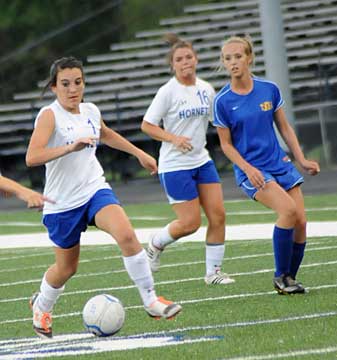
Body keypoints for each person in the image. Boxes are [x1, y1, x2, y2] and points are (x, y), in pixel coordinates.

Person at [25, 56, 181, 339]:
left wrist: (140, 154)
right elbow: (32, 157)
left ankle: (151, 301)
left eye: (78, 82)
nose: (73, 89)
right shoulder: (49, 115)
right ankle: (42, 306)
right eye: (65, 84)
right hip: (62, 203)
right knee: (66, 267)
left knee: (126, 235)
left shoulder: (90, 110)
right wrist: (69, 148)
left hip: (94, 189)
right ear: (53, 88)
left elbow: (106, 134)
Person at [213, 35, 320, 295]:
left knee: (302, 222)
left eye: (238, 56)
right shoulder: (222, 101)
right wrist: (248, 168)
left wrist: (301, 159)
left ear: (249, 58)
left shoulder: (268, 89)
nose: (234, 62)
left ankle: (289, 278)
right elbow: (226, 145)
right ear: (224, 64)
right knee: (288, 212)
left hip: (280, 164)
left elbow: (284, 127)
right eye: (228, 58)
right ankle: (280, 277)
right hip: (253, 171)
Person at [141, 34, 234, 286]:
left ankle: (213, 273)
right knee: (190, 223)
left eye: (188, 57)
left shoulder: (206, 89)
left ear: (196, 59)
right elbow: (147, 125)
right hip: (174, 166)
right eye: (179, 59)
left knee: (218, 216)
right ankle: (155, 244)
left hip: (201, 161)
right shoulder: (167, 92)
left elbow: (219, 122)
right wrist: (173, 138)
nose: (185, 62)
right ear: (172, 65)